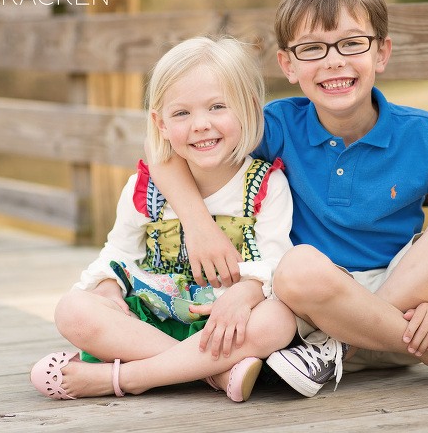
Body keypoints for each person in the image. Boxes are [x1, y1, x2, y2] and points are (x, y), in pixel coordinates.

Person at [146, 0, 428, 398]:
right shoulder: (276, 125)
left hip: (387, 313)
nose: (334, 60)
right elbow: (160, 150)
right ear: (288, 65)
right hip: (312, 309)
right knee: (296, 267)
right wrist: (201, 227)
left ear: (381, 53)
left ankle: (342, 348)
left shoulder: (423, 134)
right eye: (313, 48)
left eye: (352, 43)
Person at [30, 36, 296, 402]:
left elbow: (275, 263)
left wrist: (243, 294)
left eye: (217, 106)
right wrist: (108, 284)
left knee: (278, 321)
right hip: (152, 317)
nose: (200, 124)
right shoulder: (145, 189)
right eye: (182, 113)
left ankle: (125, 376)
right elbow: (119, 251)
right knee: (73, 310)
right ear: (160, 122)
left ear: (250, 109)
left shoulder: (266, 185)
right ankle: (215, 374)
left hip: (225, 325)